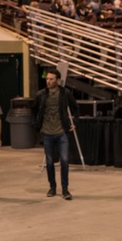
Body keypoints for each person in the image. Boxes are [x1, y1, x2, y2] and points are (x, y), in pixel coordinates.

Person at [33, 68, 79, 200]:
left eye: (51, 79)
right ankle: (52, 187)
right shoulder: (41, 94)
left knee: (64, 160)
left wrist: (75, 122)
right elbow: (34, 110)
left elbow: (75, 108)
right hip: (47, 132)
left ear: (58, 80)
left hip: (61, 131)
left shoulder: (65, 93)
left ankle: (65, 189)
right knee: (49, 161)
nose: (48, 81)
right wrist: (36, 124)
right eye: (47, 79)